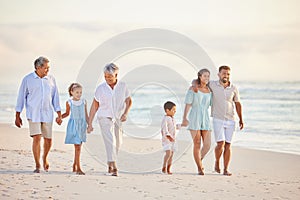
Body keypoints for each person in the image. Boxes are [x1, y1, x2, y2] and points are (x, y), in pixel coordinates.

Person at [15, 56, 62, 173]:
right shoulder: (28, 79)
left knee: (48, 140)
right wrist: (17, 115)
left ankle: (44, 158)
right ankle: (37, 165)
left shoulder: (51, 79)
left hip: (47, 113)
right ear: (38, 67)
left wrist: (59, 114)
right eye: (46, 68)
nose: (48, 70)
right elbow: (21, 97)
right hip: (34, 113)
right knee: (36, 138)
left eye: (48, 68)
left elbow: (55, 97)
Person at [87, 63, 132, 176]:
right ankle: (114, 166)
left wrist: (126, 113)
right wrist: (90, 123)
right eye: (105, 76)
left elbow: (129, 101)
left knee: (118, 142)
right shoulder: (100, 88)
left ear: (116, 75)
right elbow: (94, 106)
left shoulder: (123, 86)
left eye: (110, 76)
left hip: (118, 118)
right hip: (104, 117)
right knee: (110, 140)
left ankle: (110, 162)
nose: (107, 78)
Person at [209, 65, 244, 176]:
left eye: (228, 74)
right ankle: (217, 161)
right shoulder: (212, 85)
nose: (226, 76)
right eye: (224, 73)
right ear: (219, 74)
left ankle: (226, 169)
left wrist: (241, 119)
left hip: (231, 120)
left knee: (228, 145)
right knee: (220, 144)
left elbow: (237, 103)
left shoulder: (233, 88)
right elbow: (198, 81)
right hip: (217, 119)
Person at [182, 68, 212, 175]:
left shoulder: (209, 90)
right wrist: (184, 118)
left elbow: (212, 105)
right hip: (195, 116)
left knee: (207, 145)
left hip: (206, 118)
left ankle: (199, 160)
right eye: (204, 76)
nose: (206, 78)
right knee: (197, 143)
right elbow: (188, 104)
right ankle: (199, 168)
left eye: (208, 76)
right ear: (199, 76)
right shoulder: (193, 88)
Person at [61, 83, 89, 175]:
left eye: (80, 92)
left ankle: (74, 164)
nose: (79, 94)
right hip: (74, 126)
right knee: (77, 147)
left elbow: (86, 114)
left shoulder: (84, 101)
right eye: (77, 92)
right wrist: (59, 117)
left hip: (82, 126)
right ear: (71, 92)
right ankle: (78, 168)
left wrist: (90, 125)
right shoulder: (69, 102)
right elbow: (67, 113)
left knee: (79, 146)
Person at [161, 101, 184, 175]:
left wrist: (182, 125)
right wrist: (168, 135)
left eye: (175, 110)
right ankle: (164, 165)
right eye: (173, 110)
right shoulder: (165, 119)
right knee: (168, 153)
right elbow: (164, 128)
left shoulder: (173, 118)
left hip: (173, 139)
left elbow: (175, 127)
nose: (175, 111)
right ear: (167, 110)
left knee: (171, 154)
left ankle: (168, 168)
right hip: (167, 139)